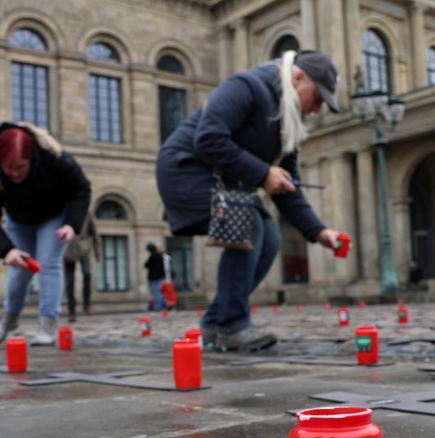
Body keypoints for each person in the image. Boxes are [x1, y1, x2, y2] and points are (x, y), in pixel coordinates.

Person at [156, 50, 342, 352]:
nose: (318, 109)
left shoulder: (288, 124)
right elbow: (209, 138)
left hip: (226, 182)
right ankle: (232, 326)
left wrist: (319, 232)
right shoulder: (247, 86)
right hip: (184, 171)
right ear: (297, 78)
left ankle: (217, 321)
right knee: (250, 225)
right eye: (318, 98)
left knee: (270, 239)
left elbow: (287, 186)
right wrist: (262, 174)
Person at [0, 122, 92, 344]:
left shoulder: (55, 159)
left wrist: (72, 225)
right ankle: (10, 317)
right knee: (20, 270)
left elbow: (81, 188)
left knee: (48, 263)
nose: (14, 173)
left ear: (32, 158)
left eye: (20, 167)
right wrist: (6, 250)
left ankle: (47, 323)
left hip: (54, 217)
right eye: (9, 168)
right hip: (19, 220)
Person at [63, 210, 100, 322]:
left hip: (84, 250)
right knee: (69, 283)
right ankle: (71, 311)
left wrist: (97, 252)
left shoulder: (86, 214)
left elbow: (94, 233)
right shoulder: (62, 213)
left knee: (87, 274)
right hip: (67, 252)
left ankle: (87, 303)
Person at [143, 243, 169, 312]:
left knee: (156, 292)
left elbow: (146, 265)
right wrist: (163, 276)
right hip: (158, 277)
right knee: (155, 292)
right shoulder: (160, 256)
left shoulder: (153, 256)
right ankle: (162, 304)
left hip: (153, 277)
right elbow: (162, 268)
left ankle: (160, 306)